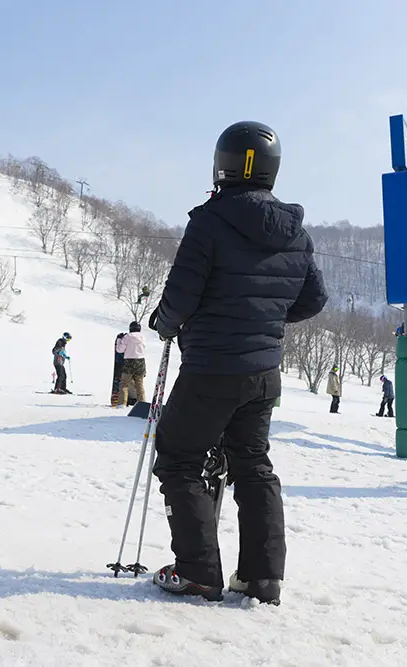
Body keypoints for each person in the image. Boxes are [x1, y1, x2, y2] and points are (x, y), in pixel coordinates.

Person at [148, 120, 328, 604]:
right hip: (263, 373)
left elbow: (181, 296)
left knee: (180, 458)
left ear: (222, 164)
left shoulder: (209, 220)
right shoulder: (296, 231)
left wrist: (163, 323)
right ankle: (262, 577)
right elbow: (314, 300)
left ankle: (198, 572)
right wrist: (264, 317)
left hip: (212, 368)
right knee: (253, 464)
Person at [116, 321, 147, 406]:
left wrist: (119, 339)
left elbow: (120, 350)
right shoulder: (143, 337)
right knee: (139, 384)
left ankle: (122, 404)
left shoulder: (127, 336)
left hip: (129, 361)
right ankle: (142, 404)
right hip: (141, 361)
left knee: (124, 383)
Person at [111, 333, 126, 406]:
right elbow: (119, 350)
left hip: (121, 362)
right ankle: (117, 397)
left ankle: (118, 397)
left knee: (119, 380)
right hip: (122, 363)